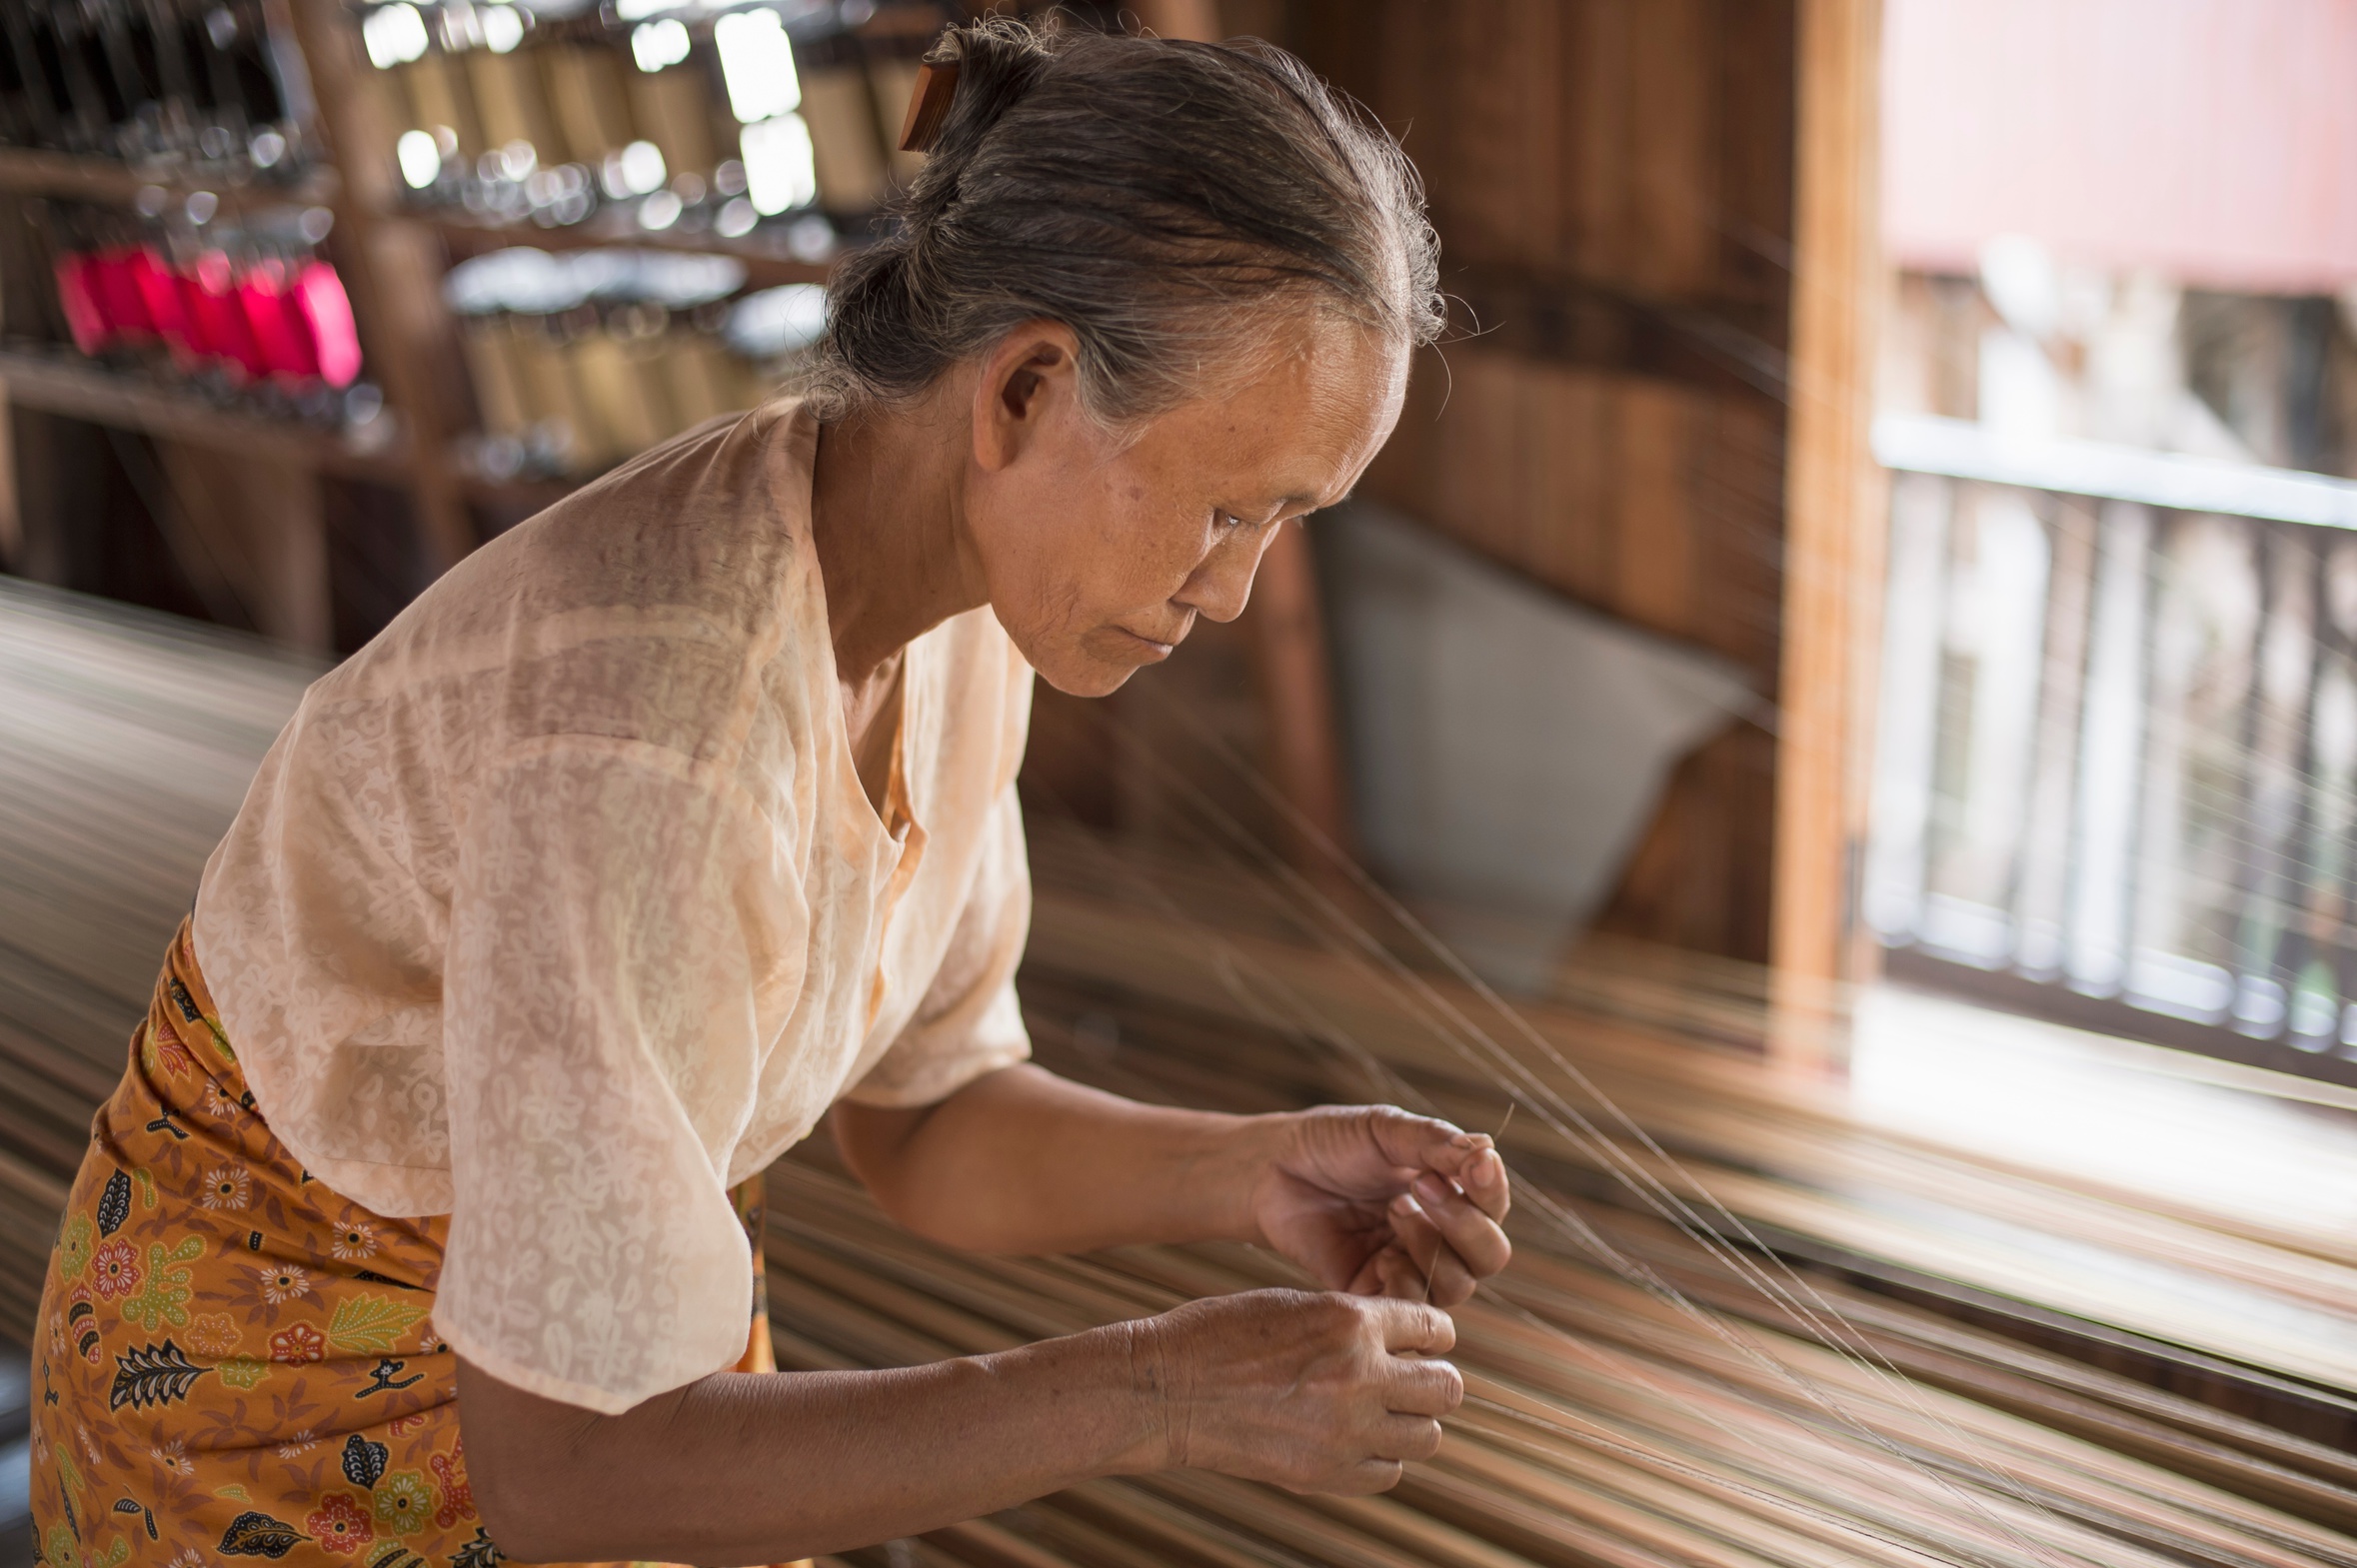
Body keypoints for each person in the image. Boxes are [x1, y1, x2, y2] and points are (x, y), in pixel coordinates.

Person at [30, 18, 1510, 1567]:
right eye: (1226, 507)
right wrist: (1160, 1391)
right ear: (1023, 392)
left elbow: (927, 1119)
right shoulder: (653, 742)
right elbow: (576, 1471)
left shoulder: (958, 610)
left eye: (1284, 522)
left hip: (598, 1375)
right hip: (276, 1423)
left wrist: (1252, 1170)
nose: (1229, 587)